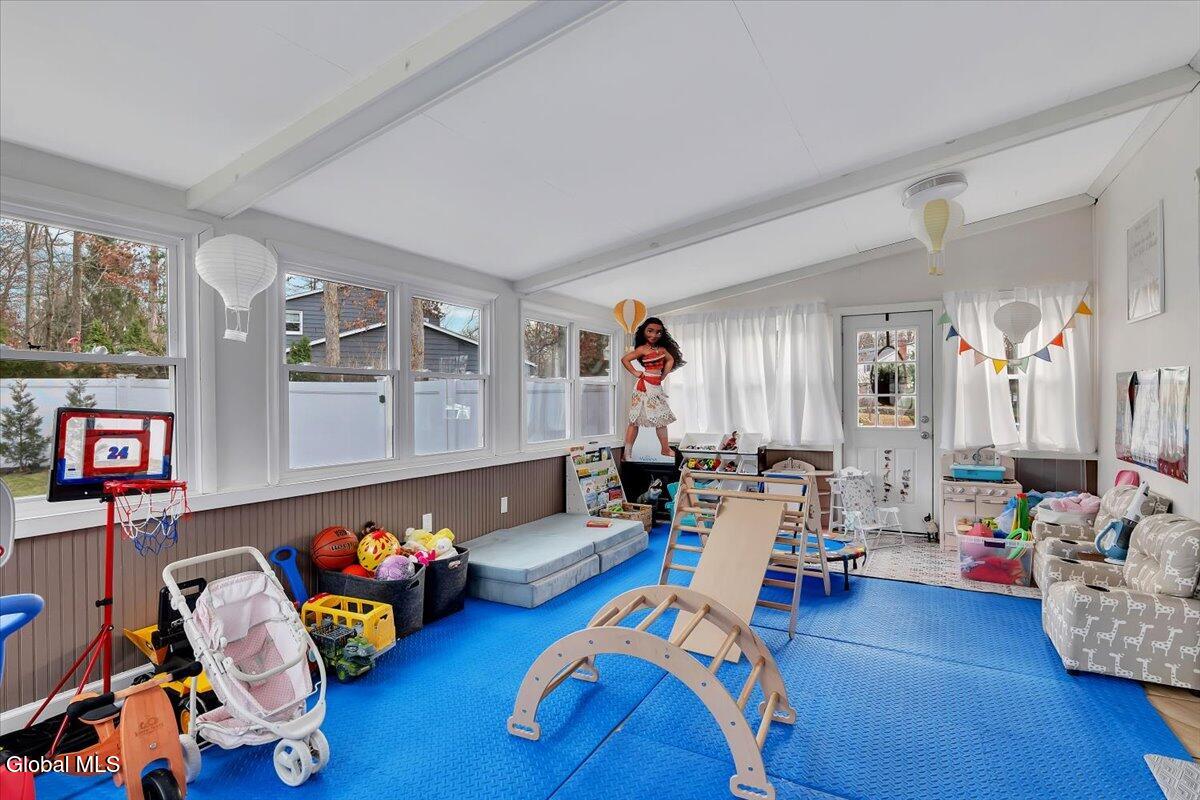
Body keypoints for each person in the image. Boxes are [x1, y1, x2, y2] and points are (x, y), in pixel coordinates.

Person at [622, 317, 685, 457]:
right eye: (650, 331)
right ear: (644, 331)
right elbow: (625, 359)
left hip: (656, 386)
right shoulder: (642, 349)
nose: (654, 335)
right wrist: (635, 372)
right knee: (634, 420)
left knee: (661, 419)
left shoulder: (662, 349)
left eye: (658, 332)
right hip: (644, 387)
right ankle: (627, 452)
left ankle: (665, 449)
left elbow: (670, 360)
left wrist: (663, 375)